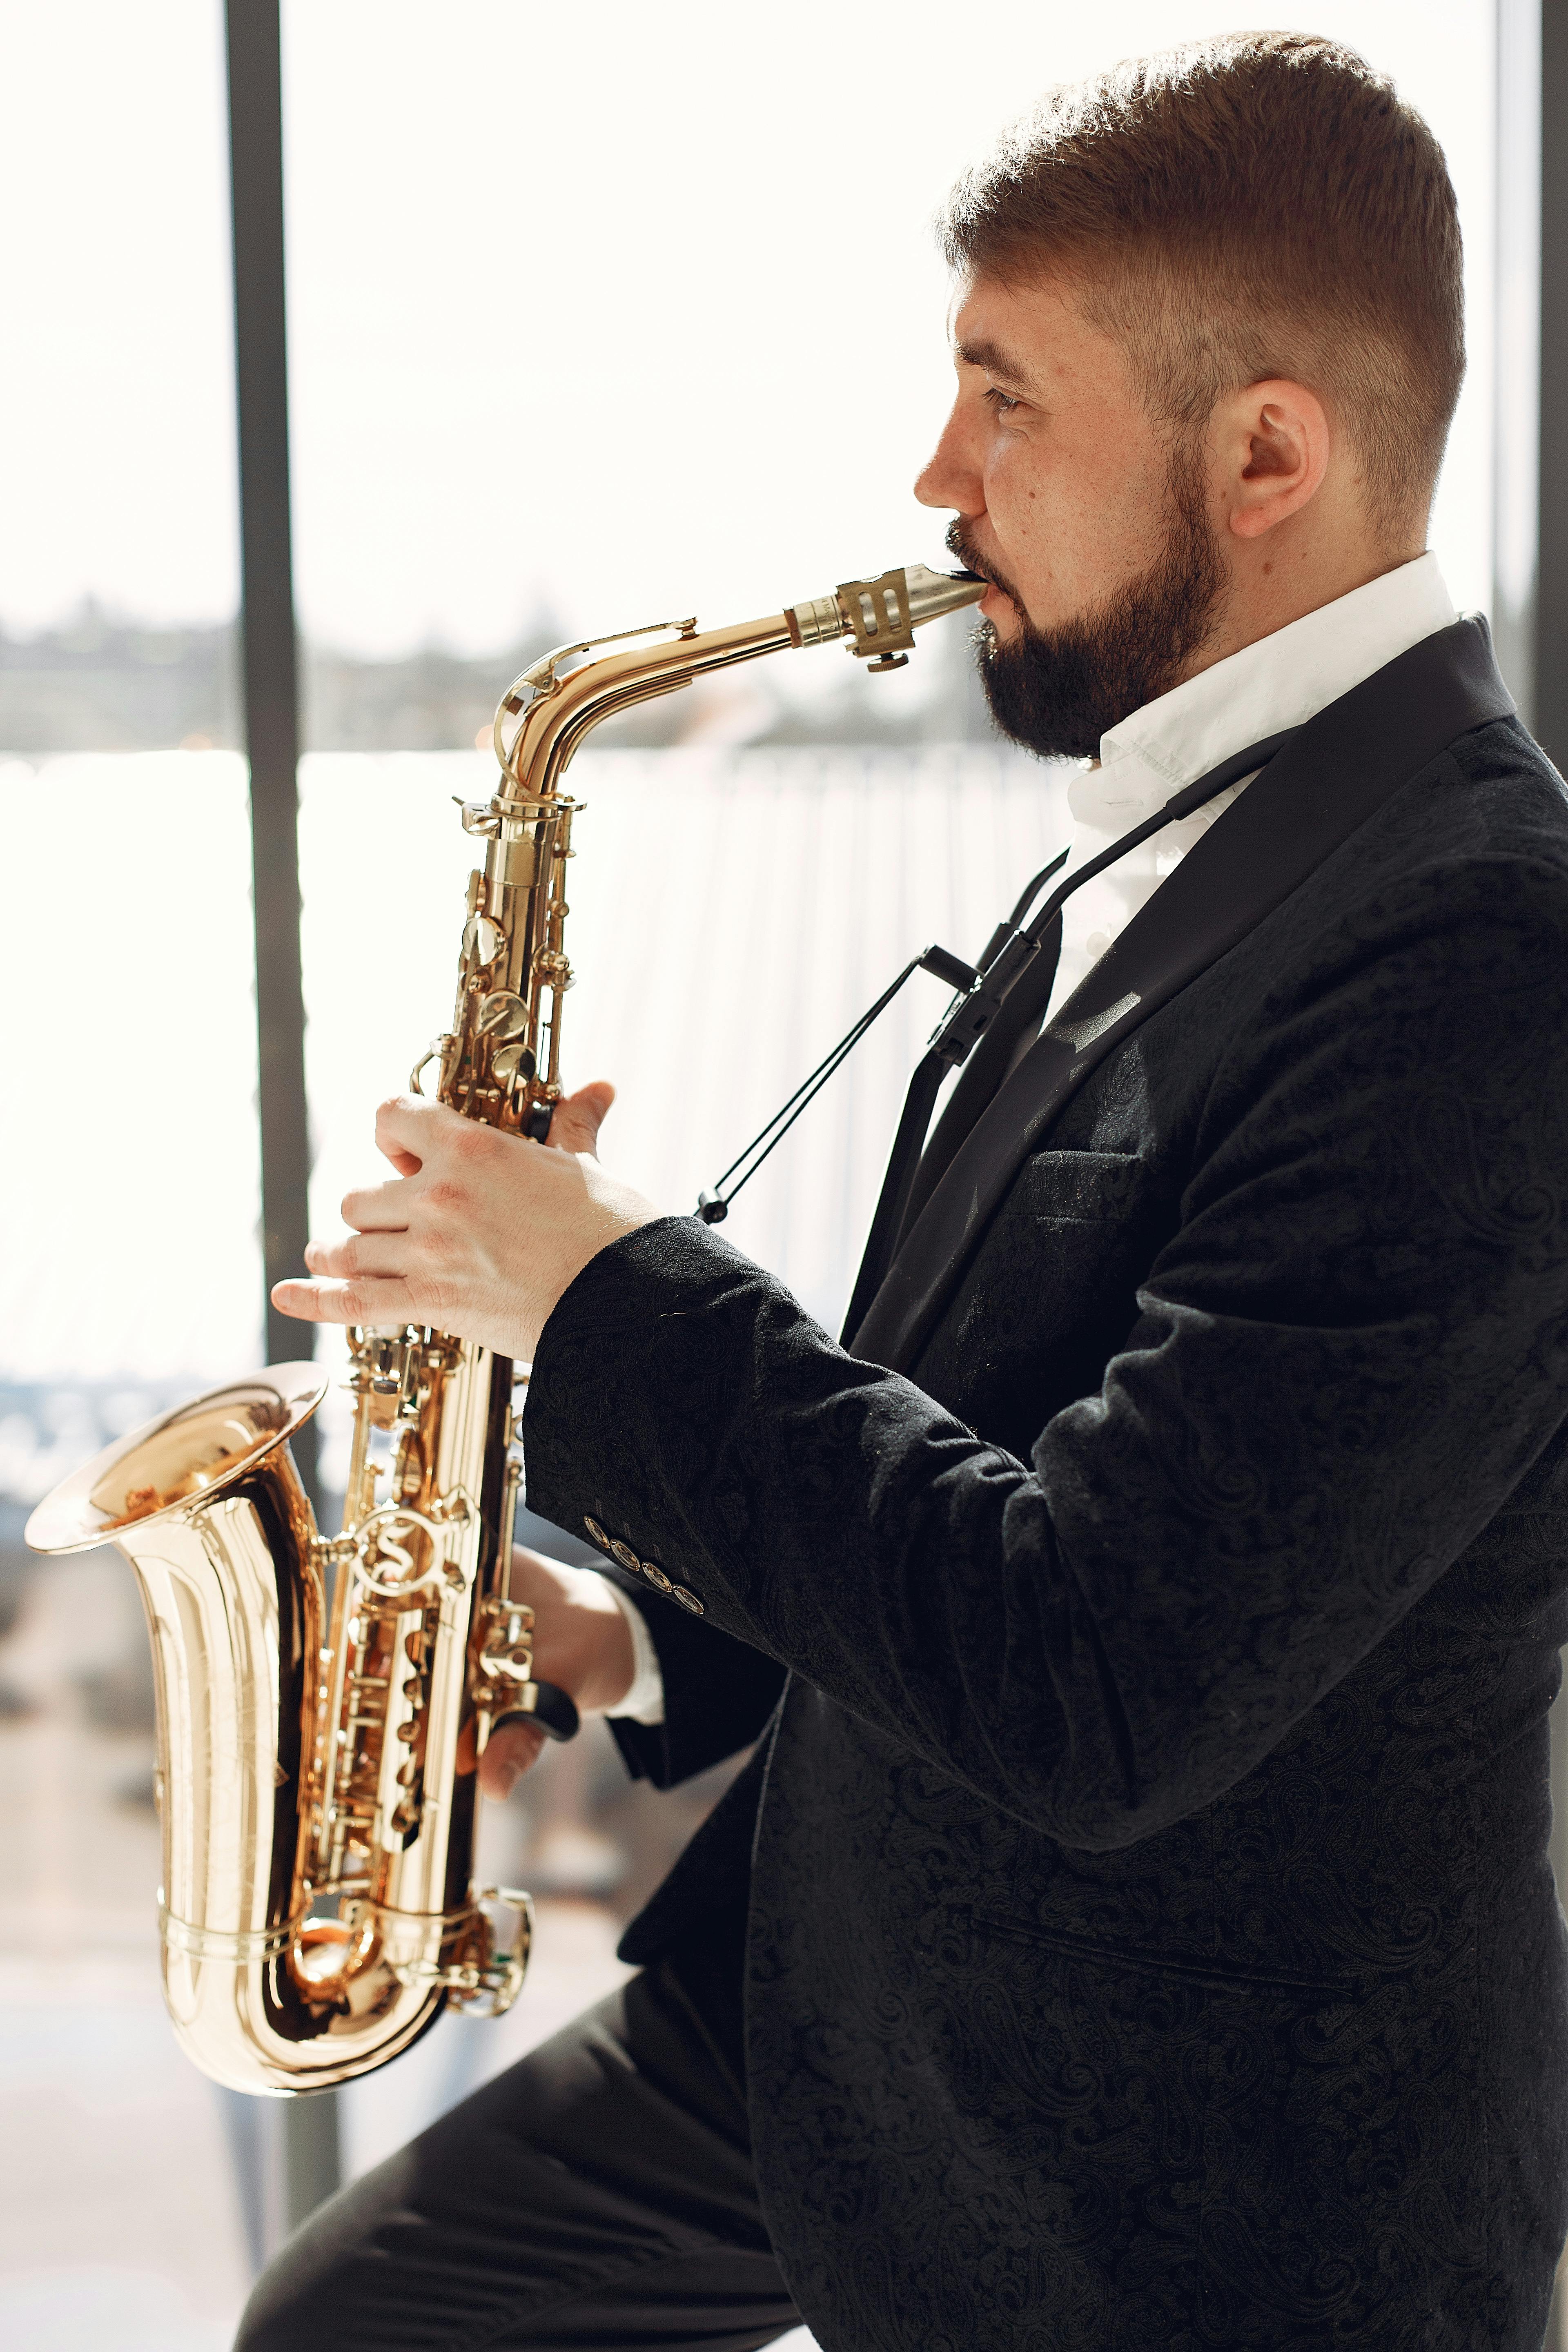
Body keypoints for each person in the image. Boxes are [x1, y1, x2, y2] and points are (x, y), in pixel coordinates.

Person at [239, 31, 1568, 2352]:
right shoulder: (1160, 830)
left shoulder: (1486, 943)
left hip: (1168, 2173)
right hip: (843, 2006)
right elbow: (993, 1428)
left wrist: (603, 1291)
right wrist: (643, 1639)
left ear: (1267, 451)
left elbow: (1103, 1667)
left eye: (1004, 398)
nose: (933, 475)